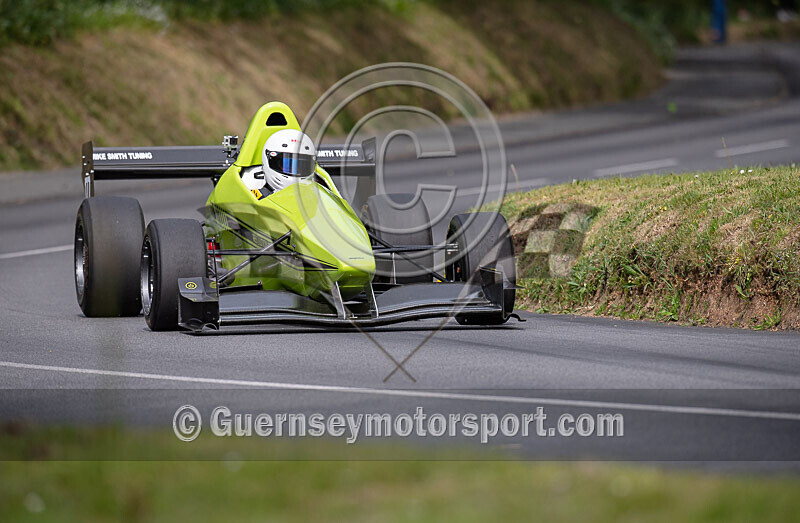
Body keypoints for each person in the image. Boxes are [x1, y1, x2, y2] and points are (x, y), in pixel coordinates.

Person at [241, 129, 317, 199]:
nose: (293, 170)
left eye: (300, 167)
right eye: (286, 166)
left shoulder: (316, 188)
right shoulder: (249, 182)